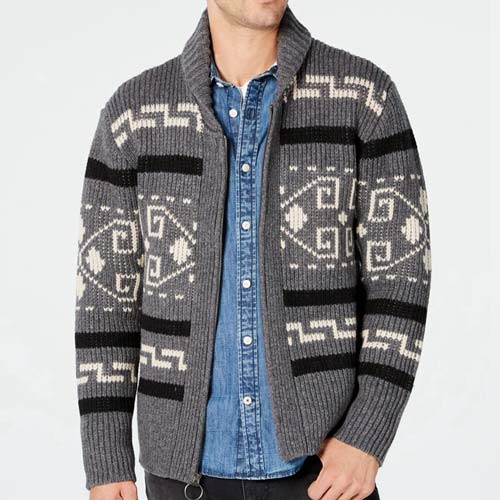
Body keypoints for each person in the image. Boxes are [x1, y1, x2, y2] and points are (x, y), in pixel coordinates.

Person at [74, 1, 431, 499]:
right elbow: (105, 301)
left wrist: (367, 435)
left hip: (325, 474)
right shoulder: (133, 114)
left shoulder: (363, 96)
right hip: (183, 477)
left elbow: (401, 280)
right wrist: (106, 460)